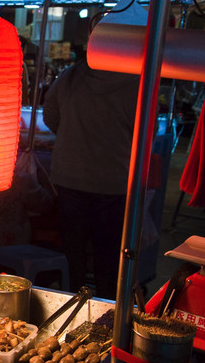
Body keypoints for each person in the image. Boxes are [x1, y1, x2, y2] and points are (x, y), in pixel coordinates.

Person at [43, 55, 139, 300]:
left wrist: (72, 138)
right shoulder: (138, 81)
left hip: (70, 176)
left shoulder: (70, 76)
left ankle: (71, 300)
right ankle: (107, 307)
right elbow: (145, 132)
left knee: (73, 251)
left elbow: (50, 117)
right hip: (113, 179)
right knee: (108, 254)